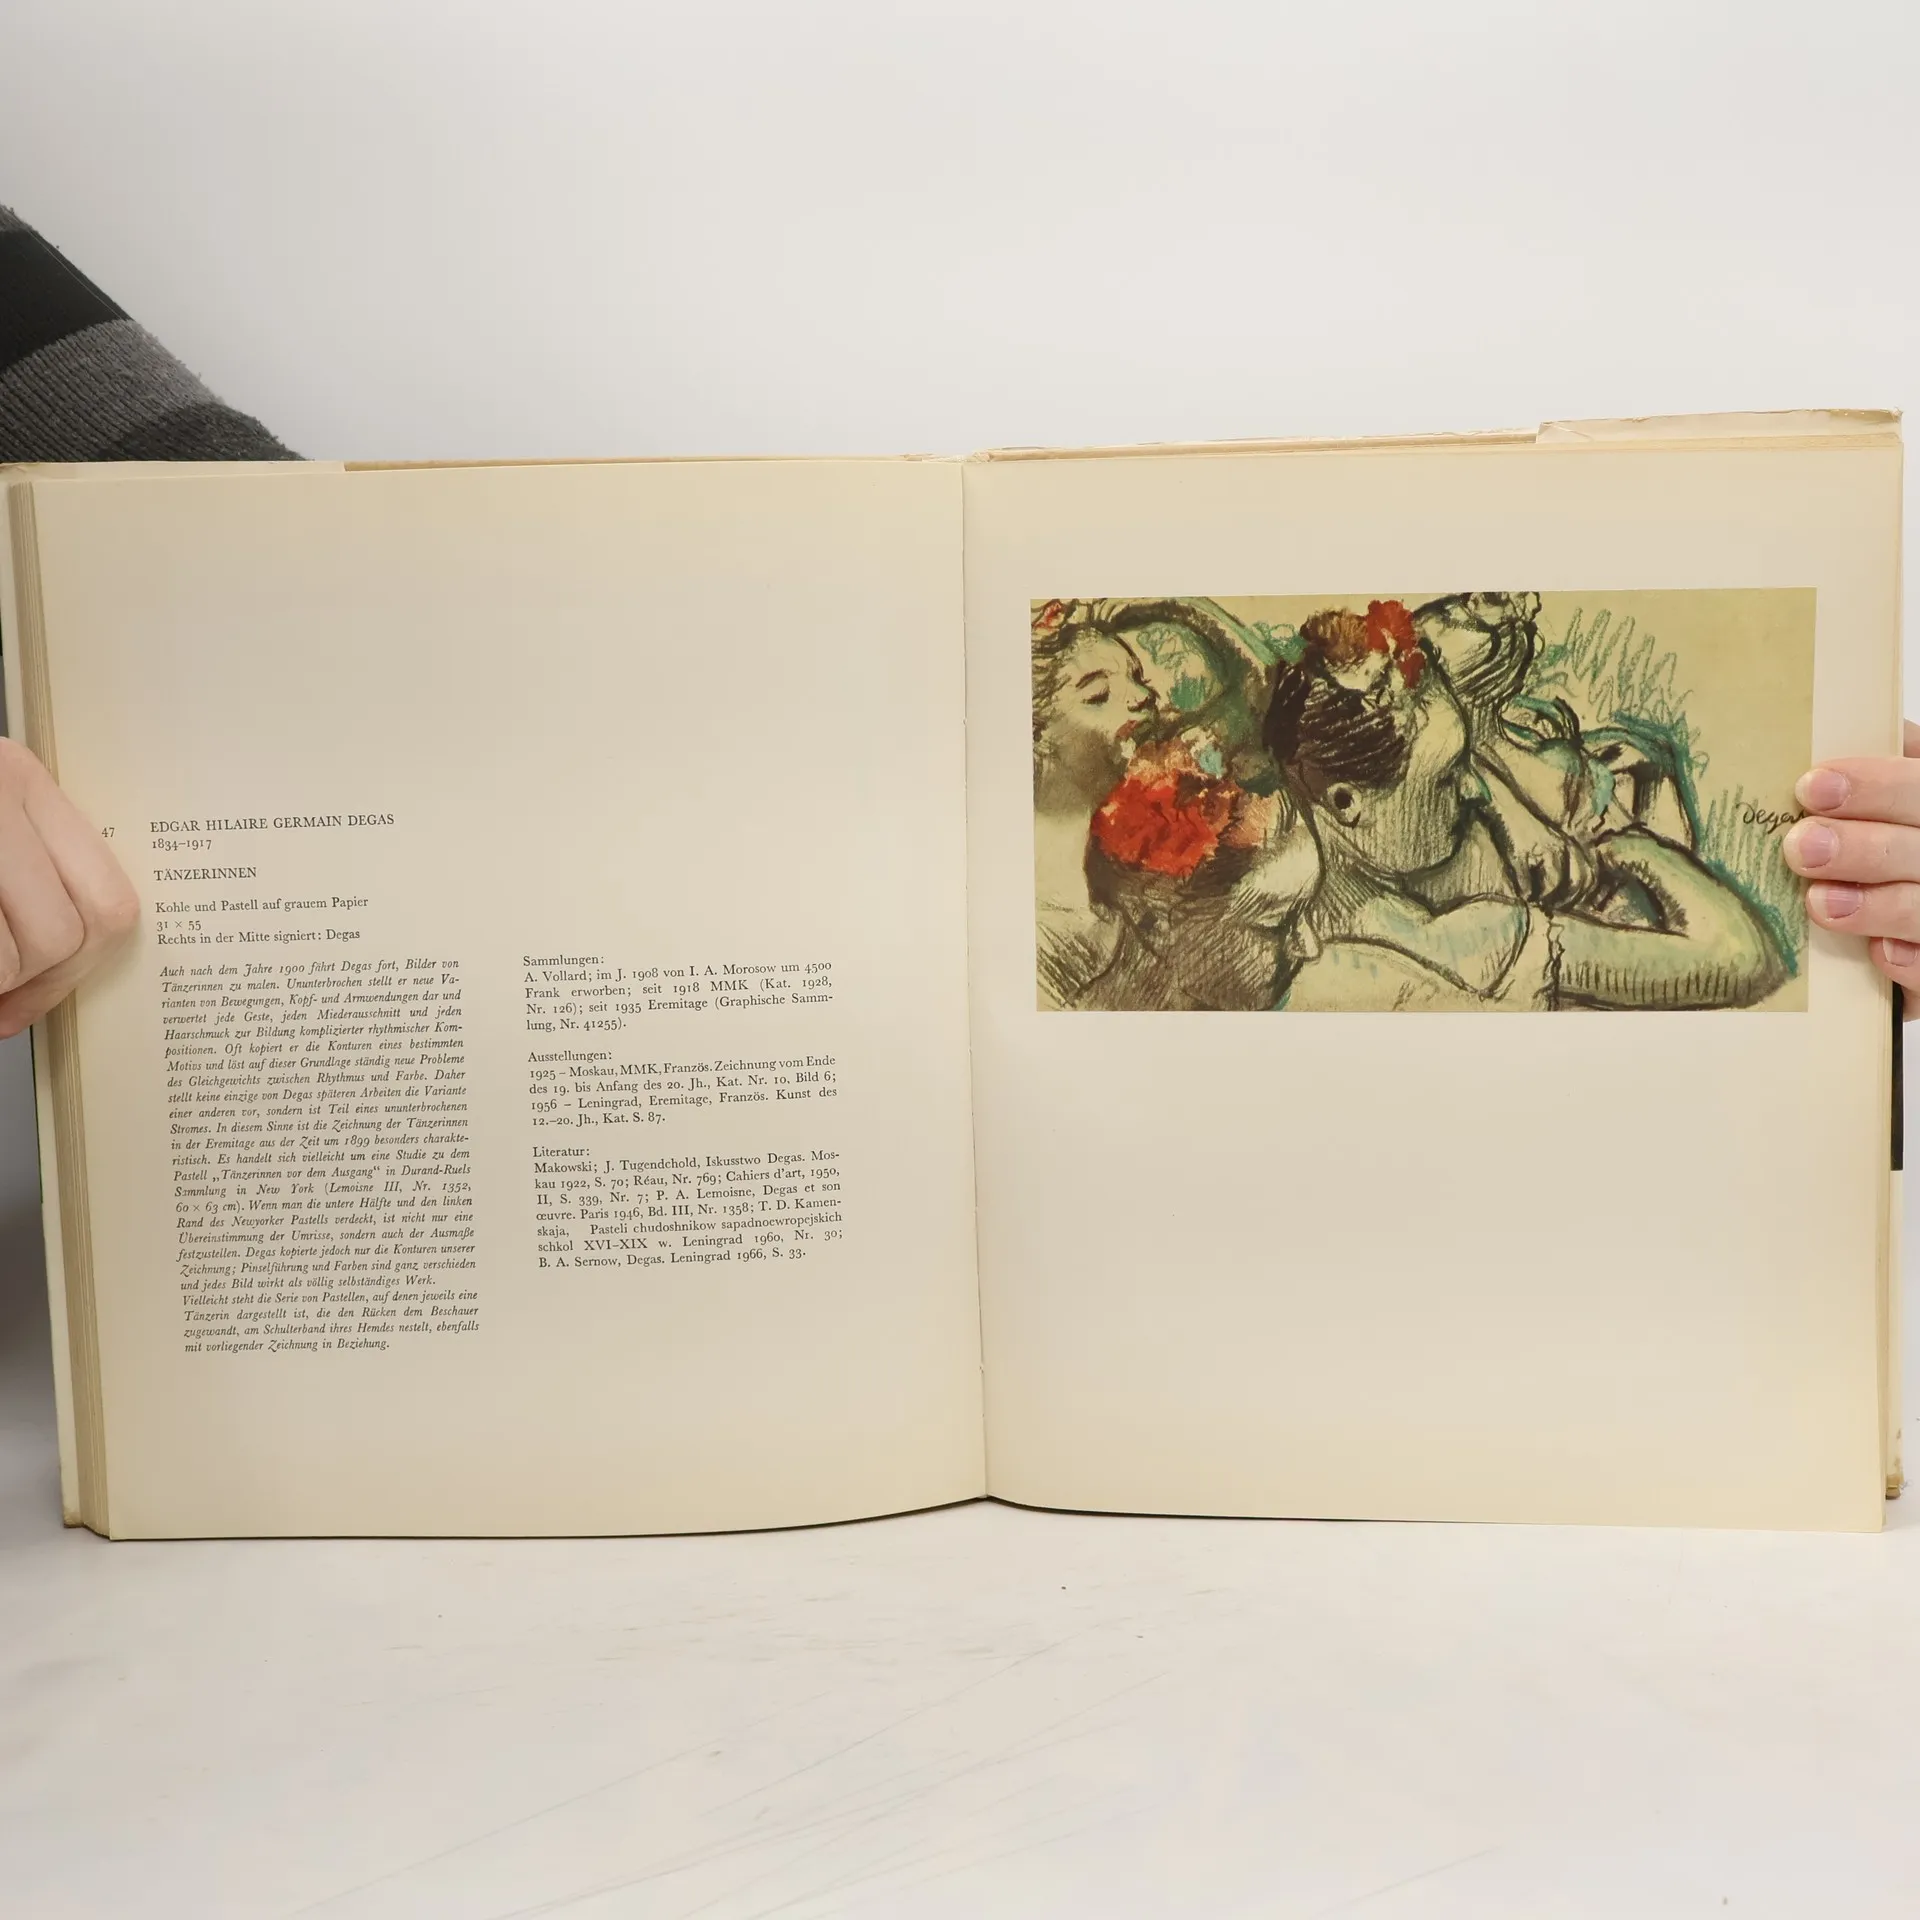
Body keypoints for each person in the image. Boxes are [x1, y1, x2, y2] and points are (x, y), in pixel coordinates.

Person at [1266, 596, 1790, 1011]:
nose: (1477, 791)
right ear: (1346, 803)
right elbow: (1744, 958)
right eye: (1448, 778)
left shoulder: (1303, 927)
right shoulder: (1470, 945)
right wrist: (1634, 847)